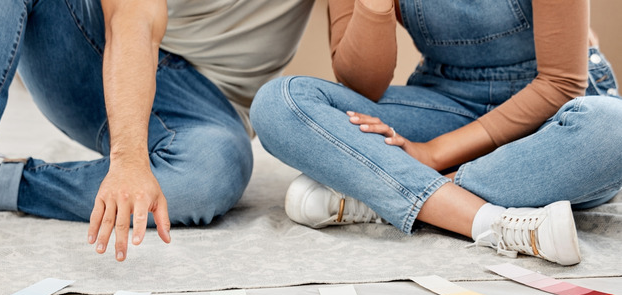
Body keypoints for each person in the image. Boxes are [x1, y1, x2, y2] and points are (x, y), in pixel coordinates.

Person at [0, 0, 315, 260]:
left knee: (208, 175)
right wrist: (128, 159)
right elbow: (132, 21)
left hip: (209, 112)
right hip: (99, 55)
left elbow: (362, 70)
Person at [250, 0, 622, 266]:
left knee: (613, 128)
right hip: (447, 100)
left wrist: (433, 154)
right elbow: (363, 85)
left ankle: (384, 196)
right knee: (281, 101)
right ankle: (488, 222)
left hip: (549, 113)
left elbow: (560, 82)